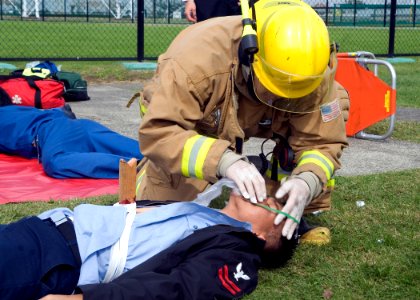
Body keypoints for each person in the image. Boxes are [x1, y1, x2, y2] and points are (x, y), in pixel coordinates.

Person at [137, 0, 349, 241]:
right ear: (250, 53)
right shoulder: (195, 59)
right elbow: (160, 131)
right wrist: (224, 161)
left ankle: (291, 207)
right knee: (164, 217)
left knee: (335, 105)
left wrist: (307, 182)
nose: (282, 98)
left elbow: (322, 142)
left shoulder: (313, 69)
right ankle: (153, 180)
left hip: (252, 100)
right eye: (277, 88)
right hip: (195, 119)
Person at [0, 179, 298, 300]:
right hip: (46, 230)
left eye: (270, 206)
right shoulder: (204, 213)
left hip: (56, 258)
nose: (262, 196)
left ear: (262, 236)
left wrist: (85, 299)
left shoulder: (236, 251)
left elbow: (179, 288)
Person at [0, 105, 143, 178]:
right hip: (78, 125)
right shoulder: (9, 109)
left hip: (51, 131)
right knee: (147, 152)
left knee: (55, 163)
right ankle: (153, 163)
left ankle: (137, 167)